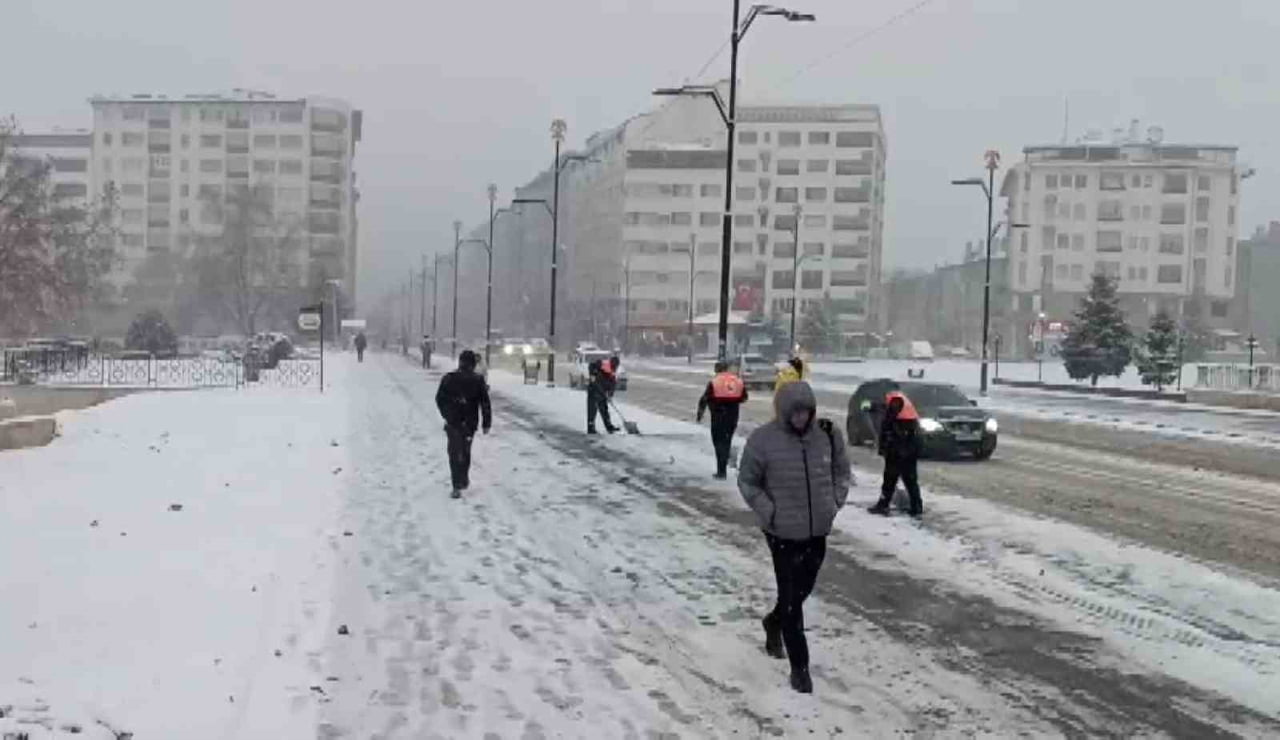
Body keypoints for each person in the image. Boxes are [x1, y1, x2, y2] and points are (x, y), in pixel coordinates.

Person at [738, 381, 851, 695]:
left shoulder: (828, 435)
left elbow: (842, 471)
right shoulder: (763, 440)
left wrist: (834, 501)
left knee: (802, 591)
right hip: (782, 532)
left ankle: (774, 622)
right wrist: (769, 511)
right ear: (784, 412)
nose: (801, 419)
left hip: (817, 531)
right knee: (791, 599)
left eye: (806, 413)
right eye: (795, 413)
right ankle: (799, 668)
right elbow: (748, 482)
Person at [435, 350, 492, 499]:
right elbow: (485, 403)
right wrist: (486, 423)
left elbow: (439, 399)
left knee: (454, 452)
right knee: (466, 451)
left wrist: (447, 414)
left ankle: (456, 485)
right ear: (473, 364)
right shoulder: (478, 380)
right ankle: (464, 477)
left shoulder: (449, 378)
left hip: (453, 422)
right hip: (470, 422)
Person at [868, 390, 924, 518]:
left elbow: (889, 419)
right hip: (908, 448)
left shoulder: (896, 402)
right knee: (910, 480)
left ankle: (883, 505)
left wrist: (887, 445)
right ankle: (916, 507)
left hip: (898, 449)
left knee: (890, 480)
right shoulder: (901, 401)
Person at [697, 361, 748, 479]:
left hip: (718, 416)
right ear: (727, 368)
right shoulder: (737, 381)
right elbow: (744, 397)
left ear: (716, 370)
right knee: (727, 441)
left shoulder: (715, 382)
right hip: (732, 417)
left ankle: (721, 471)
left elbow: (704, 399)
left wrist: (700, 414)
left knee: (718, 443)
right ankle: (722, 469)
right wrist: (732, 401)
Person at [586, 355, 618, 434]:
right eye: (615, 365)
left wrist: (610, 394)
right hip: (593, 391)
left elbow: (613, 384)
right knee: (592, 410)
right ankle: (591, 427)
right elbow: (592, 370)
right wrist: (593, 375)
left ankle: (609, 426)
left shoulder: (612, 371)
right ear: (611, 362)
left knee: (604, 410)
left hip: (602, 393)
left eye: (616, 366)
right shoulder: (600, 366)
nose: (615, 367)